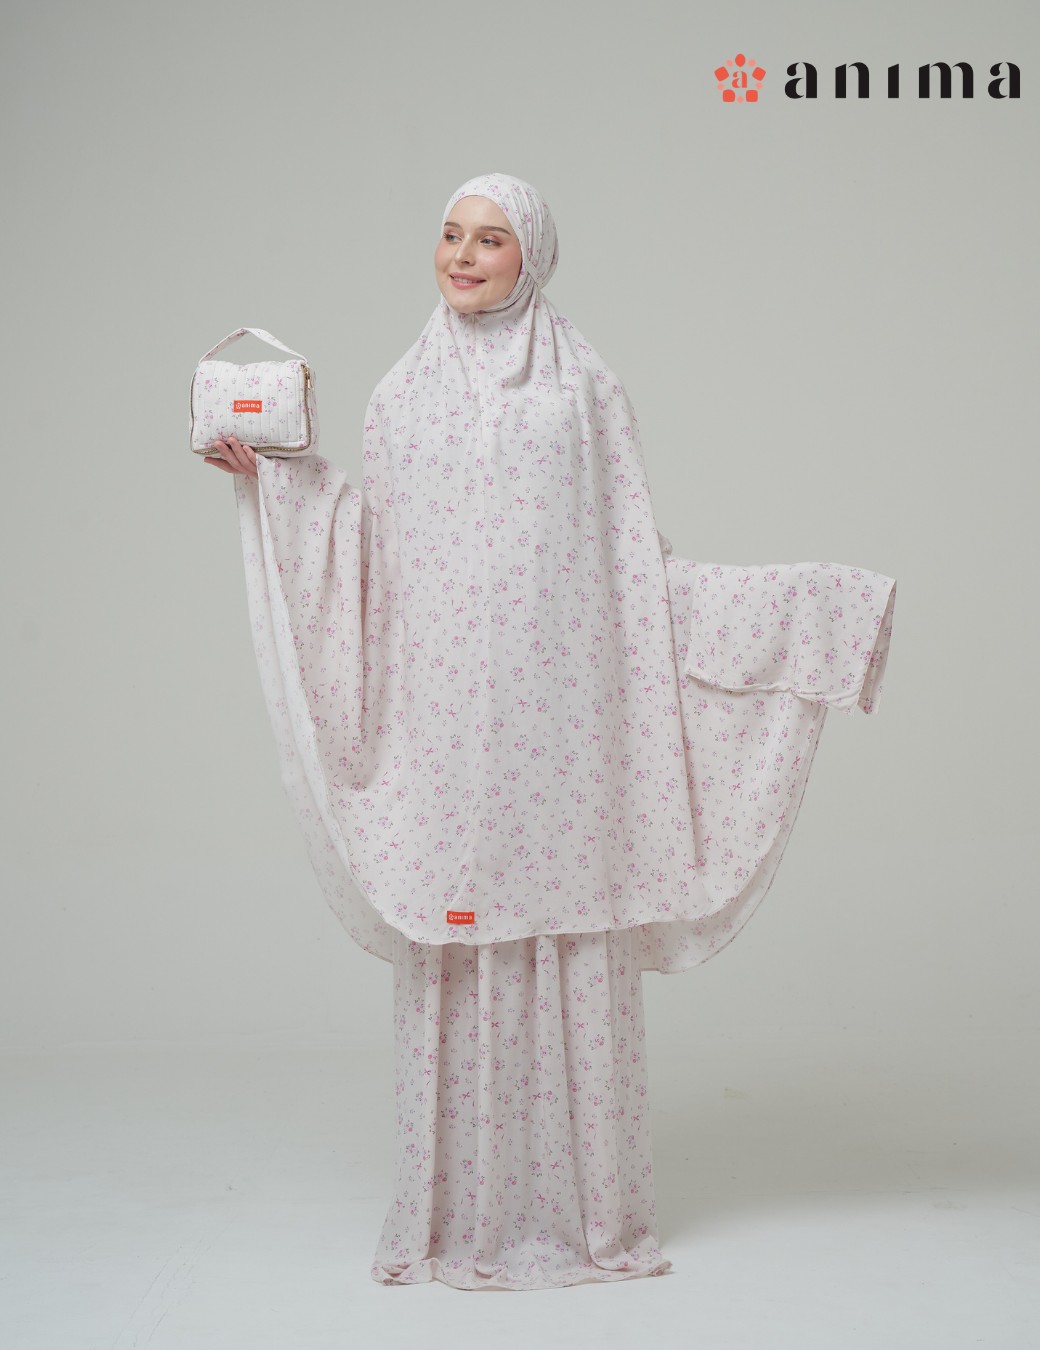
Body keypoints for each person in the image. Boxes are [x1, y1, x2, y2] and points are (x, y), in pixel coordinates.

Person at [208, 172, 896, 1291]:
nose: (463, 255)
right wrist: (280, 478)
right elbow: (370, 550)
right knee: (458, 929)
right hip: (445, 734)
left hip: (564, 732)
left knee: (569, 927)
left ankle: (591, 1220)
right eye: (450, 234)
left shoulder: (585, 390)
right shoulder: (400, 394)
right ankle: (455, 1222)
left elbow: (629, 568)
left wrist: (795, 609)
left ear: (533, 255)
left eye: (491, 239)